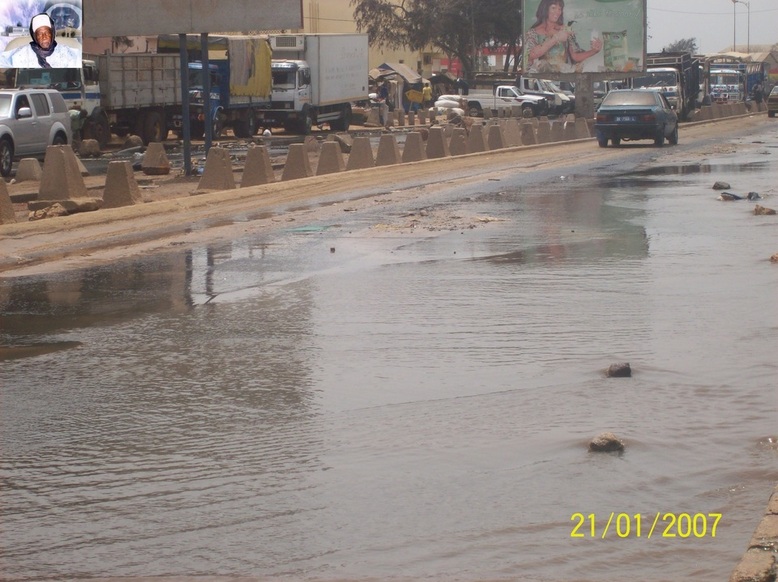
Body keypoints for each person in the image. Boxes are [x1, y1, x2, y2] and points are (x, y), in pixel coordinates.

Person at [525, 0, 602, 74]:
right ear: (545, 9)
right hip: (539, 81)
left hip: (562, 79)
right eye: (553, 8)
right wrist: (556, 38)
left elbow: (575, 56)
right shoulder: (532, 32)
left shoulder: (566, 30)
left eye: (559, 9)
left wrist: (594, 51)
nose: (557, 12)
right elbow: (531, 55)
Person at [0, 13, 81, 68]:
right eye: (39, 34)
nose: (44, 37)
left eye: (47, 32)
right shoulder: (20, 54)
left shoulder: (69, 54)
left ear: (52, 33)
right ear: (35, 37)